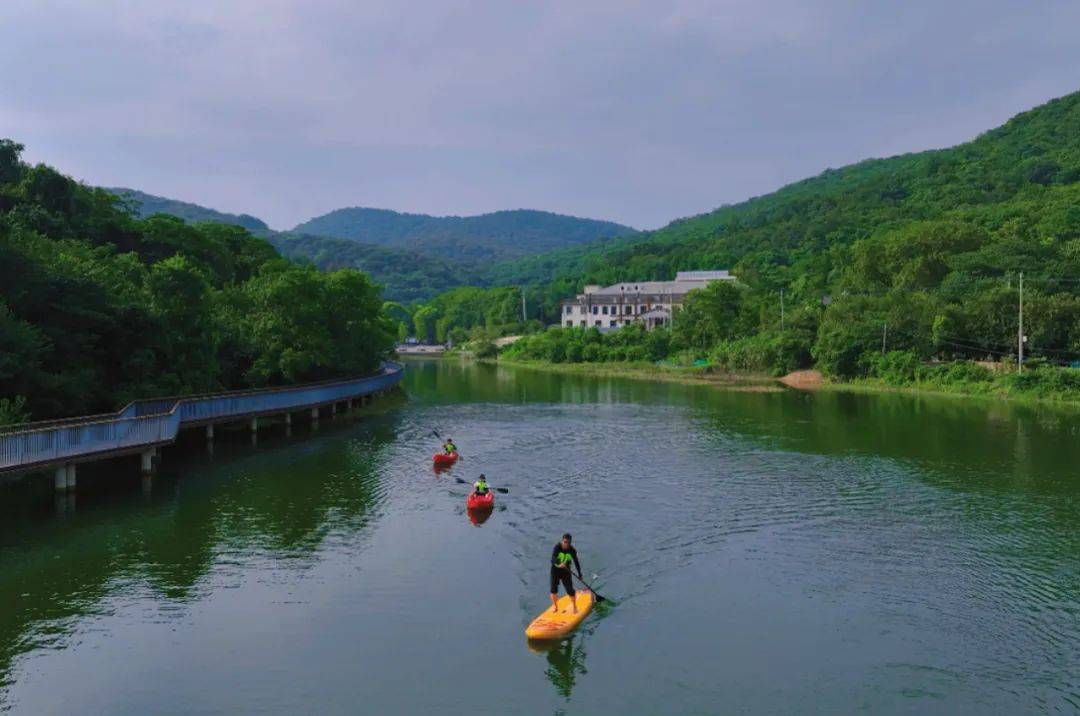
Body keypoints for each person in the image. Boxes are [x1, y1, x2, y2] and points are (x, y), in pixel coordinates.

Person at [550, 533, 583, 614]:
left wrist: (579, 574)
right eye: (564, 542)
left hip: (566, 571)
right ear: (562, 541)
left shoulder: (572, 550)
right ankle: (555, 606)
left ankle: (575, 607)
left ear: (570, 543)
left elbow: (576, 562)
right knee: (553, 590)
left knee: (570, 590)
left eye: (568, 542)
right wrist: (559, 563)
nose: (566, 544)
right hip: (555, 570)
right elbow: (552, 559)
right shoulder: (557, 547)